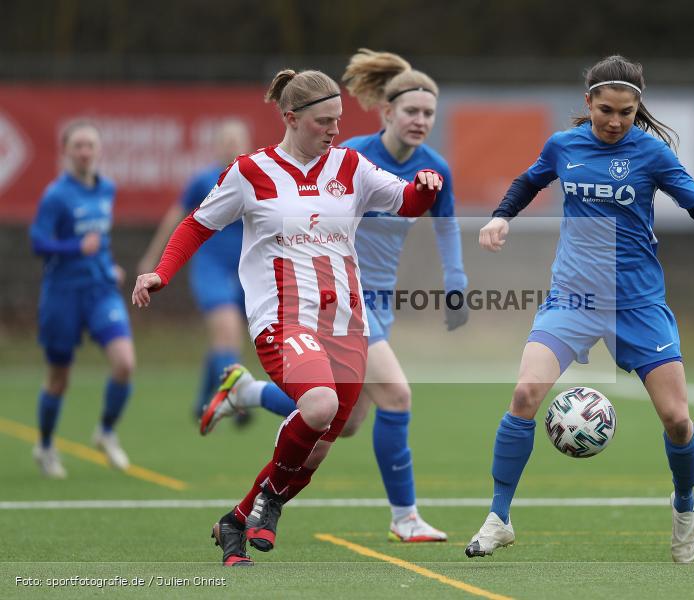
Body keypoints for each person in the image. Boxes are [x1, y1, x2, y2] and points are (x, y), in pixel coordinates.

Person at [463, 55, 694, 563]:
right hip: (574, 297)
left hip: (637, 302)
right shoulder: (564, 146)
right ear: (588, 103)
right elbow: (528, 181)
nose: (614, 121)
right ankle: (499, 517)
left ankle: (685, 507)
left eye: (626, 112)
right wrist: (501, 217)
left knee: (676, 420)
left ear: (637, 109)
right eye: (605, 110)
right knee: (524, 393)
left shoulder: (651, 154)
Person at [132, 68, 443, 566]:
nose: (334, 130)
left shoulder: (351, 167)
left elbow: (406, 202)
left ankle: (236, 521)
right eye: (323, 121)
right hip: (283, 319)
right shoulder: (251, 171)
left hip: (347, 322)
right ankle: (270, 504)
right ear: (290, 117)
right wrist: (160, 273)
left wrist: (426, 188)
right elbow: (196, 224)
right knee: (318, 408)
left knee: (324, 442)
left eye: (338, 120)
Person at [198, 49, 467, 543]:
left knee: (343, 424)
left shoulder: (433, 166)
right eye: (411, 111)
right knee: (396, 395)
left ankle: (247, 392)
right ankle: (404, 516)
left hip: (375, 302)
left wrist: (456, 278)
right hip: (331, 302)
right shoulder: (351, 153)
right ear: (387, 112)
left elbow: (440, 220)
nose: (421, 121)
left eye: (429, 113)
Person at [30, 121, 136, 478]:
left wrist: (109, 265)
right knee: (59, 377)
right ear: (66, 151)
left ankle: (105, 431)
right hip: (63, 295)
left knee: (124, 363)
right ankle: (44, 446)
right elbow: (38, 242)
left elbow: (100, 240)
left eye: (91, 144)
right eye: (78, 145)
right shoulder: (56, 195)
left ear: (99, 150)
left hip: (100, 290)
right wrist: (75, 247)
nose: (85, 151)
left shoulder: (107, 188)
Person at [137, 121, 253, 422]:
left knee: (226, 340)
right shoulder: (203, 180)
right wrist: (153, 256)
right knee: (227, 330)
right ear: (216, 146)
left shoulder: (255, 178)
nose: (231, 145)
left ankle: (203, 400)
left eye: (236, 140)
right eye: (226, 140)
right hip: (210, 268)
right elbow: (177, 218)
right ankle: (237, 398)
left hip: (245, 271)